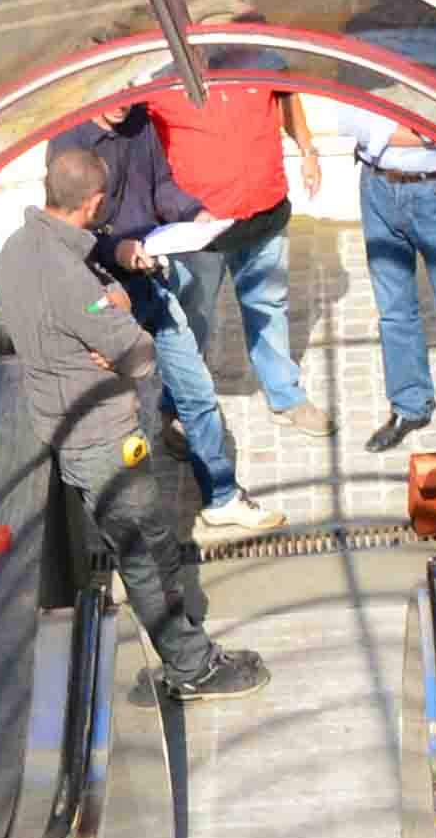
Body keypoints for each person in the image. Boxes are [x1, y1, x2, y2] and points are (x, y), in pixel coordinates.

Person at [0, 142, 267, 703]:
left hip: (62, 423)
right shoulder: (69, 277)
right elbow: (139, 354)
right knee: (144, 550)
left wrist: (108, 310)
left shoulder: (18, 248)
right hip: (102, 439)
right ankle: (191, 668)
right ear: (93, 203)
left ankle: (180, 634)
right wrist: (116, 316)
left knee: (144, 540)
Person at [53, 104, 280, 538]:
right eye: (116, 93)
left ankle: (221, 497)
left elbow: (161, 185)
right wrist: (116, 250)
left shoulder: (139, 122)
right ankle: (114, 523)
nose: (124, 103)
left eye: (130, 90)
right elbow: (67, 227)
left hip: (150, 280)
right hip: (102, 298)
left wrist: (194, 213)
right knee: (114, 413)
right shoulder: (69, 141)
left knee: (195, 387)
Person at [120, 36, 318, 420]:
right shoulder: (156, 81)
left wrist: (308, 151)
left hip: (265, 214)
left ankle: (285, 394)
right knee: (189, 318)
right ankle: (180, 407)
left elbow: (288, 95)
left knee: (268, 306)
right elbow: (131, 143)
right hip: (197, 230)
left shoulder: (259, 57)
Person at [308, 92, 436, 451]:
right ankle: (409, 407)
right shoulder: (364, 57)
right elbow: (350, 120)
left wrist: (388, 128)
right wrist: (419, 131)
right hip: (378, 188)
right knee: (393, 310)